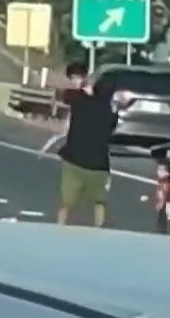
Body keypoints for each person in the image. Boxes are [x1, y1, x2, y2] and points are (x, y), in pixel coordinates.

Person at [40, 60, 118, 227]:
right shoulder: (110, 110)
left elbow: (62, 94)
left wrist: (49, 145)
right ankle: (99, 232)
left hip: (76, 160)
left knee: (68, 202)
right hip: (98, 163)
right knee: (99, 202)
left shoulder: (77, 99)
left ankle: (60, 229)